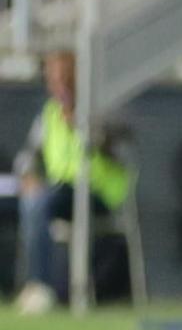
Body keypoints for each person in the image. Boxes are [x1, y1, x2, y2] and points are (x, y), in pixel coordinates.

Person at [12, 50, 131, 313]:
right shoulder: (49, 115)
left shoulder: (103, 110)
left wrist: (87, 127)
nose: (61, 87)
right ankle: (39, 287)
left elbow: (123, 151)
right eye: (54, 80)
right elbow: (26, 157)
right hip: (62, 194)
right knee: (34, 201)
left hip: (100, 194)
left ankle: (43, 286)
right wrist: (29, 176)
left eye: (66, 79)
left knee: (40, 202)